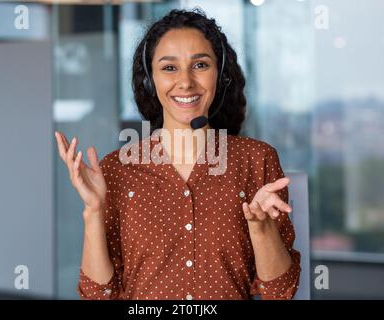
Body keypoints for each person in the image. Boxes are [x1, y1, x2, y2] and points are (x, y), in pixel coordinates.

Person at [54, 8, 300, 300]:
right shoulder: (116, 169)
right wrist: (94, 212)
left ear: (220, 76)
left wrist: (261, 229)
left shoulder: (255, 160)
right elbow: (97, 295)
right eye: (169, 68)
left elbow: (279, 292)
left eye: (200, 65)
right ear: (150, 80)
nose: (185, 82)